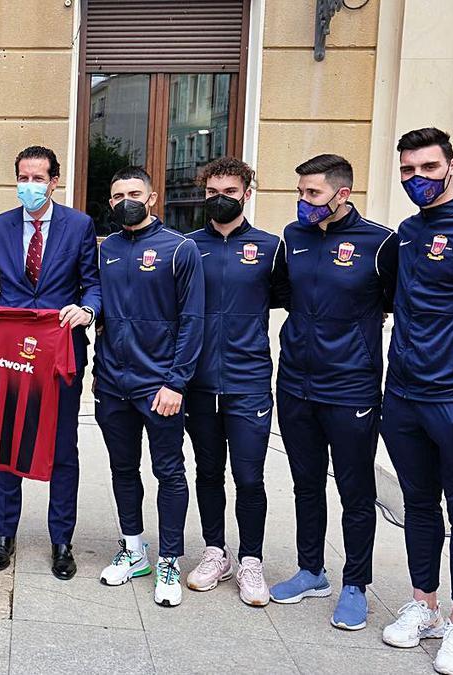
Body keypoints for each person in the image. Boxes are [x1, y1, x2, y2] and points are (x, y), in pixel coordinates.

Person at [0, 145, 100, 580]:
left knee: (61, 446)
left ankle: (61, 539)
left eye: (38, 178)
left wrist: (86, 312)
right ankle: (4, 533)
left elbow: (93, 285)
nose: (29, 186)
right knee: (6, 442)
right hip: (8, 353)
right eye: (23, 178)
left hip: (59, 350)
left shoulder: (79, 225)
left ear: (54, 182)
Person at [269, 154, 396, 630]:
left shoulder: (381, 243)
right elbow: (282, 293)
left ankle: (355, 584)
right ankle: (311, 570)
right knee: (305, 483)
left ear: (343, 194)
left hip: (351, 386)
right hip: (296, 382)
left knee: (355, 488)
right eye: (300, 193)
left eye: (313, 194)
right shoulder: (293, 237)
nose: (303, 202)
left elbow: (396, 302)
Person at [86, 165, 202, 607]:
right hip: (113, 383)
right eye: (117, 196)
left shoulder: (179, 249)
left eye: (134, 193)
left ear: (152, 198)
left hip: (161, 387)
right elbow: (106, 314)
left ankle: (170, 558)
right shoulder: (108, 247)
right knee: (122, 469)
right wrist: (100, 370)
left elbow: (194, 321)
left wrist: (176, 382)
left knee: (169, 472)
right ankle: (133, 549)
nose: (125, 201)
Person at [183, 157, 287, 606]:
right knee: (207, 471)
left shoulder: (270, 247)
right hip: (199, 382)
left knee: (248, 475)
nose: (219, 199)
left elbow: (287, 298)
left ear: (247, 193)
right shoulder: (186, 247)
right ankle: (214, 551)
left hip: (248, 381)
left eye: (229, 191)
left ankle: (250, 560)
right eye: (212, 192)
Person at [380, 127, 453, 670]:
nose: (418, 179)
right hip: (404, 392)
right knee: (418, 504)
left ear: (452, 167)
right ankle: (423, 605)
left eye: (428, 169)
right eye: (408, 170)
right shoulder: (407, 232)